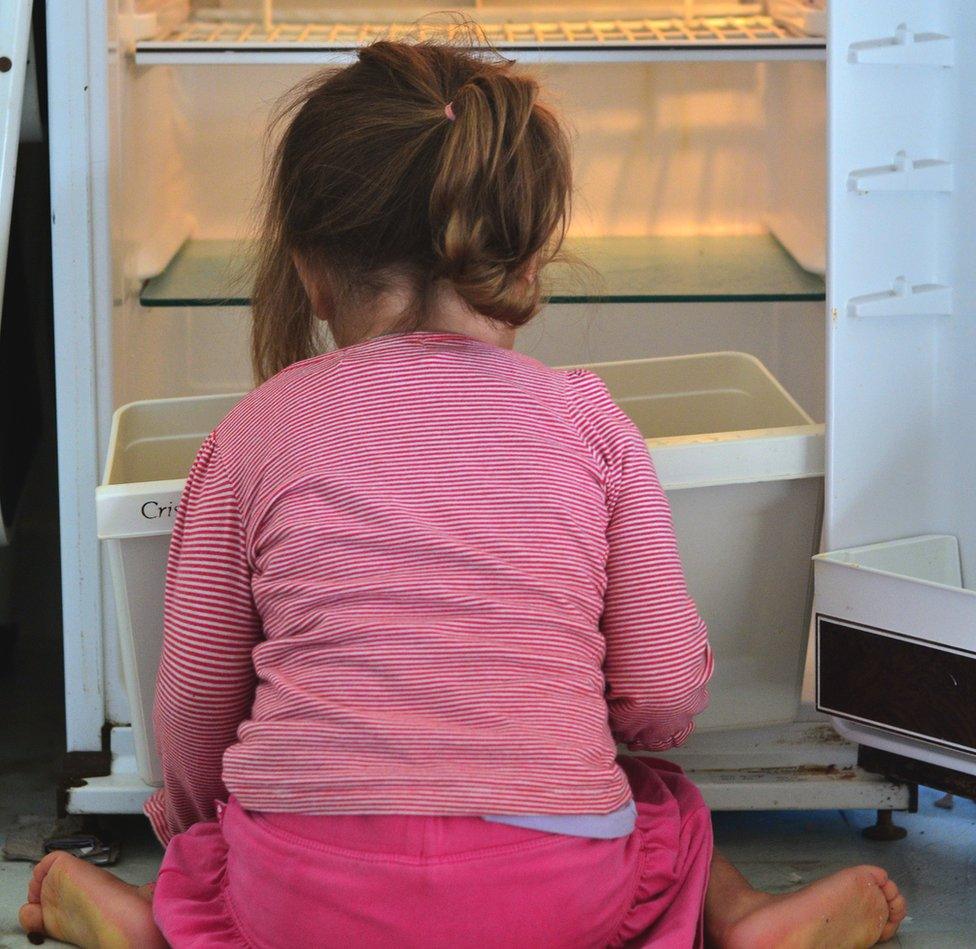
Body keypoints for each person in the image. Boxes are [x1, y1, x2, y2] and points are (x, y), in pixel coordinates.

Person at [21, 39, 906, 949]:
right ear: (527, 267)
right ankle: (747, 918)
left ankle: (156, 927)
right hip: (552, 895)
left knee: (223, 851)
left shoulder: (252, 431)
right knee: (660, 803)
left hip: (309, 894)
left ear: (310, 269)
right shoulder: (590, 422)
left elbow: (193, 711)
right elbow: (664, 689)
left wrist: (207, 825)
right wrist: (587, 717)